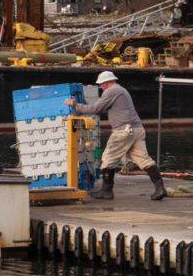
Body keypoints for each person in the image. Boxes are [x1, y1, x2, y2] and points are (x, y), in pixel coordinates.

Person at [64, 71, 166, 200]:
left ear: (107, 83)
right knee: (143, 159)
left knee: (108, 159)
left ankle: (106, 191)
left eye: (101, 84)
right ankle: (160, 188)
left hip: (123, 131)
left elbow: (95, 110)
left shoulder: (111, 91)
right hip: (136, 129)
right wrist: (85, 105)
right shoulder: (120, 90)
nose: (100, 87)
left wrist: (74, 105)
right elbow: (101, 108)